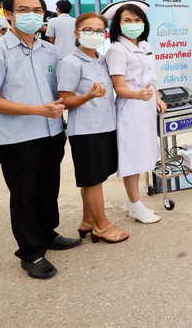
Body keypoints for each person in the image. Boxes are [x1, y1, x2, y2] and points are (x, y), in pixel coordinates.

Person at [0, 0, 80, 280]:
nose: (32, 15)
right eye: (23, 10)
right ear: (8, 14)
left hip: (51, 132)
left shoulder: (49, 51)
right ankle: (31, 252)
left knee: (48, 187)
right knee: (24, 194)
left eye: (37, 10)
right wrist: (36, 110)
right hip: (18, 137)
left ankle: (48, 233)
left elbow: (60, 89)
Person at [57, 13, 129, 244]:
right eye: (88, 30)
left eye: (99, 31)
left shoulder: (102, 60)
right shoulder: (70, 62)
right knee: (92, 180)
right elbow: (64, 100)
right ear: (77, 33)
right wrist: (88, 96)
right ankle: (102, 225)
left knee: (95, 178)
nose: (94, 34)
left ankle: (88, 221)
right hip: (86, 130)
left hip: (106, 126)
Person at [104, 0, 165, 223]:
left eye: (137, 20)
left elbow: (150, 78)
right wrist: (139, 95)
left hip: (146, 106)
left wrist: (157, 97)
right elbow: (119, 87)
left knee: (144, 152)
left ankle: (130, 202)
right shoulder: (117, 50)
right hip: (130, 108)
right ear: (118, 25)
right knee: (132, 157)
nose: (133, 24)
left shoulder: (145, 45)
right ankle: (136, 206)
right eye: (127, 20)